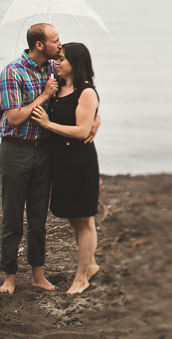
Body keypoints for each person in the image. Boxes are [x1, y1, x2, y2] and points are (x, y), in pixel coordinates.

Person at [0, 23, 100, 294]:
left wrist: (96, 120)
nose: (60, 45)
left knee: (39, 217)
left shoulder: (55, 69)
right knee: (13, 217)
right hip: (15, 150)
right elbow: (15, 118)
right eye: (56, 41)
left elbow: (82, 96)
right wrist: (44, 95)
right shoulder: (12, 72)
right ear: (39, 45)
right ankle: (9, 277)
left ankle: (37, 275)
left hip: (45, 151)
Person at [31, 42, 102, 294]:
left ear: (76, 62)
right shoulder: (59, 87)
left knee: (84, 220)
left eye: (62, 59)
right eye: (58, 58)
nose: (57, 62)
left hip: (79, 162)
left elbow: (82, 131)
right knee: (74, 219)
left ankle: (81, 278)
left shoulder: (86, 92)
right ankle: (90, 264)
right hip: (60, 161)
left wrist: (48, 125)